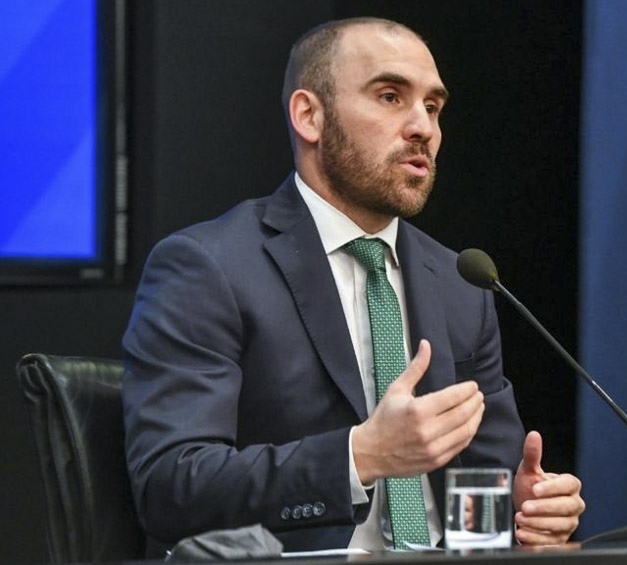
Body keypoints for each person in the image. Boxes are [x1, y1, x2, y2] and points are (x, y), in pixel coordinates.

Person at [122, 17, 584, 555]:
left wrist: (523, 510)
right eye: (390, 97)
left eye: (433, 107)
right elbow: (171, 487)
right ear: (309, 116)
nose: (423, 127)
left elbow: (484, 505)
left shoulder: (463, 284)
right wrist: (359, 456)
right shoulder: (210, 267)